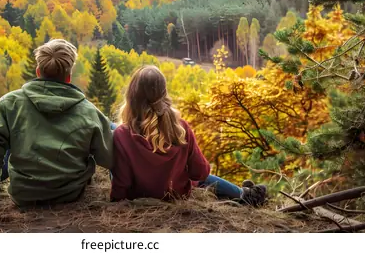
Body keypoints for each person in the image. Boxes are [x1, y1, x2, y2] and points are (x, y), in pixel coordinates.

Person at [0, 39, 114, 209]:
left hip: (24, 195)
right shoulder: (88, 111)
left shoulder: (9, 103)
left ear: (38, 72)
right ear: (68, 77)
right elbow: (108, 157)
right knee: (110, 127)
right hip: (70, 194)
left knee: (15, 139)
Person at [110, 65, 267, 207]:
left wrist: (116, 201)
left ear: (131, 96)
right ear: (164, 95)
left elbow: (121, 181)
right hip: (176, 194)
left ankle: (244, 193)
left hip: (139, 196)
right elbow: (200, 173)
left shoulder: (121, 135)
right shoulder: (180, 128)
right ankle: (244, 195)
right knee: (202, 179)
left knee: (112, 132)